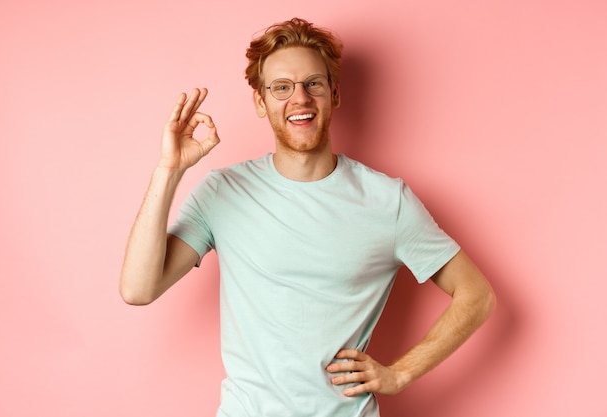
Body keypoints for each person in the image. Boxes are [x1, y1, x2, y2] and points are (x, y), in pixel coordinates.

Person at [120, 17, 496, 417]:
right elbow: (138, 289)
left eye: (313, 84)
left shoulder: (388, 201)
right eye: (281, 87)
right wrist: (169, 170)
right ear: (260, 102)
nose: (299, 98)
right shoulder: (223, 192)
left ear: (334, 94)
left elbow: (477, 295)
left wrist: (400, 374)